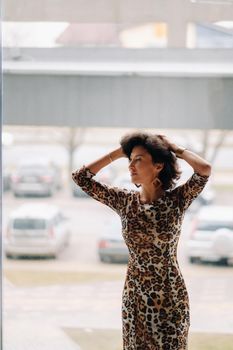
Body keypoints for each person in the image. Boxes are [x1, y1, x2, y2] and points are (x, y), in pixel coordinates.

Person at [72, 132, 211, 350]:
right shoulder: (124, 201)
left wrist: (175, 149)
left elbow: (204, 170)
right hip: (134, 297)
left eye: (139, 160)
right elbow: (81, 178)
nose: (131, 166)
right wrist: (120, 152)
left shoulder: (177, 200)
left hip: (170, 296)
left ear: (158, 166)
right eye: (130, 160)